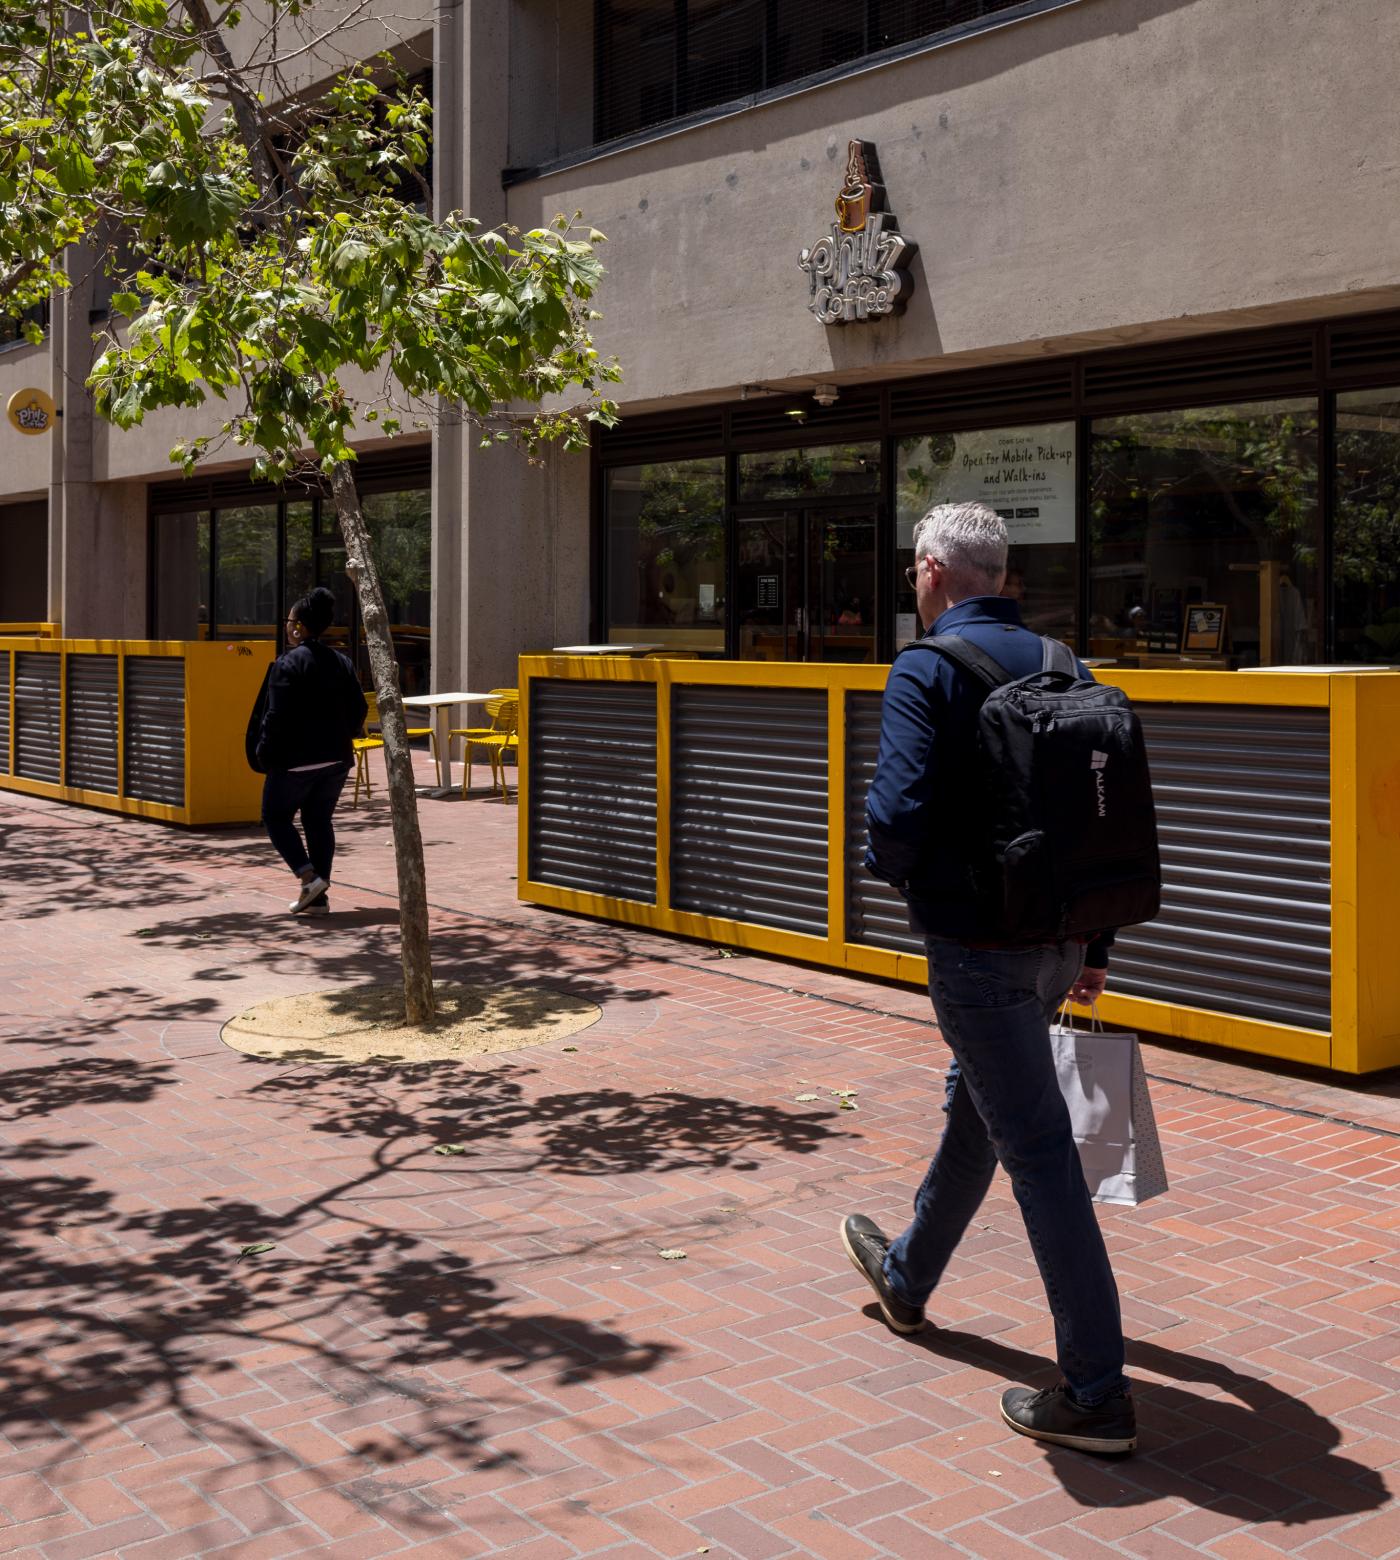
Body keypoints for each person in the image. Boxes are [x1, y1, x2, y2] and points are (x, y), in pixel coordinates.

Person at [840, 500, 1134, 1455]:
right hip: (1058, 943)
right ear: (999, 575)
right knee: (984, 1104)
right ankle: (909, 1278)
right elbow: (1107, 820)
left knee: (1039, 1155)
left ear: (932, 570)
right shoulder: (1064, 663)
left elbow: (898, 814)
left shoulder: (925, 666)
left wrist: (896, 867)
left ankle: (1095, 1394)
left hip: (977, 951)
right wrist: (1096, 948)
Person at [246, 587, 368, 917]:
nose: (287, 626)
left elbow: (276, 717)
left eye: (290, 620)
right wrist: (344, 735)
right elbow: (359, 709)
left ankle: (308, 876)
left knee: (275, 816)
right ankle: (318, 898)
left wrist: (264, 754)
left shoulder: (287, 664)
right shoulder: (341, 662)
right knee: (318, 821)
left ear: (298, 626)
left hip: (295, 762)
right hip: (337, 759)